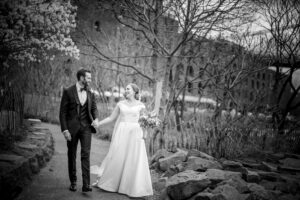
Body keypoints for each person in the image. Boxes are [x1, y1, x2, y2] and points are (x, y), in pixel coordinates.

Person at [91, 83, 153, 198]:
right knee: (118, 157)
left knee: (133, 159)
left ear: (135, 92)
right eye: (126, 89)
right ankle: (112, 183)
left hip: (135, 134)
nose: (126, 90)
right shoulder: (120, 104)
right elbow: (111, 118)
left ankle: (131, 187)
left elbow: (145, 122)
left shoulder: (141, 106)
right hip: (122, 133)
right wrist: (99, 124)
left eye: (128, 89)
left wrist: (145, 133)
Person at [59, 69, 99, 193]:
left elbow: (94, 108)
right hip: (71, 129)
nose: (90, 80)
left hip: (86, 127)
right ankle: (73, 182)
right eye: (88, 78)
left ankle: (86, 184)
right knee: (72, 154)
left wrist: (96, 118)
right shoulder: (68, 91)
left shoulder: (91, 92)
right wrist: (65, 129)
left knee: (85, 155)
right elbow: (62, 113)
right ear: (81, 78)